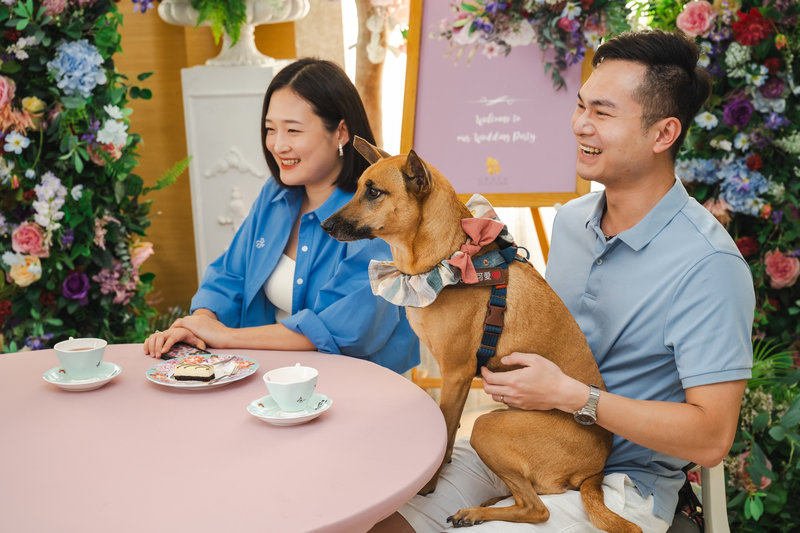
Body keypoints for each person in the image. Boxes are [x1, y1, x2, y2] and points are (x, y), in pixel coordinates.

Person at [374, 30, 755, 532]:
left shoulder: (709, 264)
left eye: (603, 112)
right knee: (383, 521)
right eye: (580, 106)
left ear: (663, 134)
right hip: (523, 441)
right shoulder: (573, 221)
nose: (580, 125)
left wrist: (575, 397)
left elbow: (711, 439)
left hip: (626, 484)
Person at [143, 58, 419, 374]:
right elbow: (229, 274)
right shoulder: (275, 196)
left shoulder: (379, 214)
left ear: (340, 132)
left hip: (356, 387)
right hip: (277, 381)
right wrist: (201, 322)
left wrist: (226, 337)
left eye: (293, 130)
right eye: (270, 129)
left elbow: (343, 328)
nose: (278, 145)